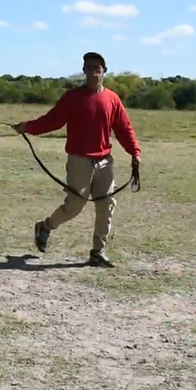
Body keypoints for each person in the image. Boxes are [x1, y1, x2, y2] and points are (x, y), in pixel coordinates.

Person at [13, 52, 141, 267]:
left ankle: (98, 251)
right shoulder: (72, 98)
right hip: (79, 160)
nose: (93, 71)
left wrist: (134, 152)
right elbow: (52, 121)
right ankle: (45, 227)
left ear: (104, 71)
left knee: (107, 205)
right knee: (74, 206)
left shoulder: (112, 99)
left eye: (97, 67)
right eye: (88, 67)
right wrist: (28, 127)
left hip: (104, 160)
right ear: (83, 70)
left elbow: (123, 129)